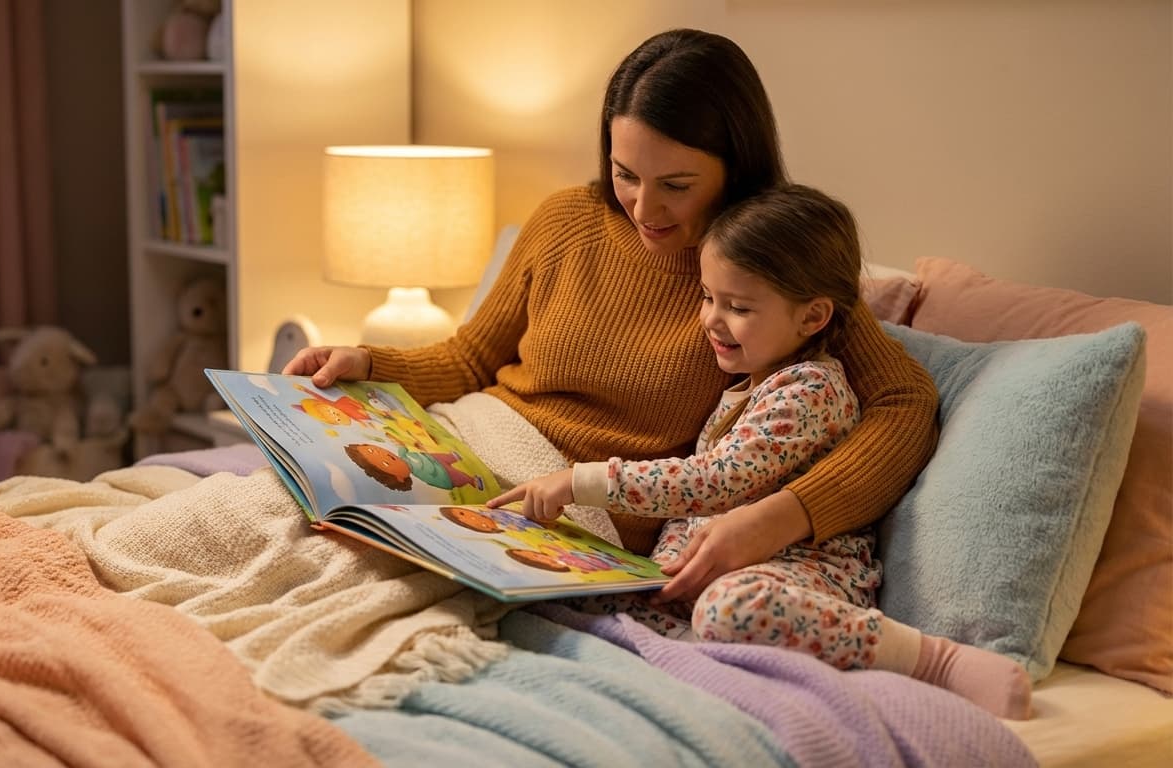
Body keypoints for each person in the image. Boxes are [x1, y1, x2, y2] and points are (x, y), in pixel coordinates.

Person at [283, 29, 936, 608]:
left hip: (568, 511)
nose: (642, 207)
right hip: (462, 440)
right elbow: (469, 359)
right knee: (278, 514)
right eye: (626, 174)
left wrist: (787, 516)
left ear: (736, 166)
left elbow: (905, 402)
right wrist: (369, 363)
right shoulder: (565, 220)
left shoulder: (770, 273)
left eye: (675, 185)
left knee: (333, 572)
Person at [488, 184, 1031, 719]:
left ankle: (933, 661)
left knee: (732, 609)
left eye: (738, 307)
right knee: (563, 598)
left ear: (813, 317)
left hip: (798, 575)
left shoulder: (809, 390)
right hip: (703, 571)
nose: (711, 320)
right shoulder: (746, 382)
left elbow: (716, 480)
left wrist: (580, 482)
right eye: (707, 297)